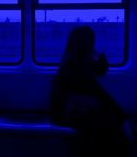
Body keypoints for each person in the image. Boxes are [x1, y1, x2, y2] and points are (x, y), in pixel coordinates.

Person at [50, 26, 131, 157]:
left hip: (74, 108)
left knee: (108, 122)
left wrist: (99, 57)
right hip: (67, 112)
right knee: (108, 126)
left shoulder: (79, 58)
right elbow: (95, 91)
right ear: (85, 43)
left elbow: (100, 72)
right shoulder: (75, 63)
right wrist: (120, 114)